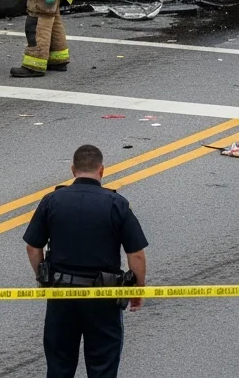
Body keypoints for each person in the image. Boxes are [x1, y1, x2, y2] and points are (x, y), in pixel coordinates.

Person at [23, 144, 148, 378]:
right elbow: (136, 254)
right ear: (101, 171)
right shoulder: (116, 203)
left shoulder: (52, 200)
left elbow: (32, 246)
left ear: (73, 170)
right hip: (103, 298)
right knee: (102, 367)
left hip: (61, 295)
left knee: (59, 366)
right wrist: (138, 290)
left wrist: (44, 280)